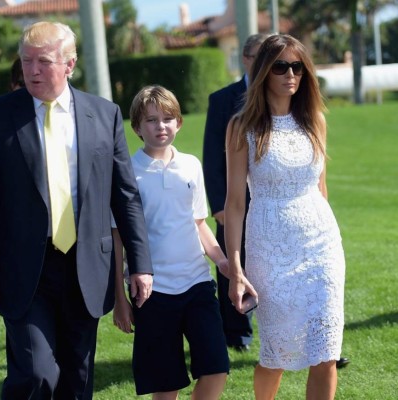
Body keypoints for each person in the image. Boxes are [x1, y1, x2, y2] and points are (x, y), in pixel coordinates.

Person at [0, 21, 153, 400]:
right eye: (27, 61)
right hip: (22, 268)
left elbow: (125, 194)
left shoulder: (105, 114)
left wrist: (141, 264)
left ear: (70, 64)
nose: (33, 70)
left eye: (44, 61)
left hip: (86, 266)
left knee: (77, 380)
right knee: (35, 375)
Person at [224, 34, 346, 399]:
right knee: (275, 353)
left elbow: (322, 189)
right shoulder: (242, 127)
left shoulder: (315, 121)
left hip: (321, 246)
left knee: (325, 352)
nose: (290, 74)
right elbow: (233, 203)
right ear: (263, 71)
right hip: (270, 249)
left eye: (297, 67)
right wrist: (235, 267)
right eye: (281, 66)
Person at [113, 85, 230, 399]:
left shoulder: (191, 165)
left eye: (167, 118)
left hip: (197, 284)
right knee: (165, 387)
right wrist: (119, 299)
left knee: (216, 370)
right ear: (137, 127)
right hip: (151, 292)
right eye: (151, 120)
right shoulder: (127, 173)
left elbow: (198, 223)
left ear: (179, 122)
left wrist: (221, 260)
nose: (160, 126)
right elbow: (117, 237)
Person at [203, 33, 269, 352]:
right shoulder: (223, 100)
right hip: (233, 200)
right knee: (233, 264)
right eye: (261, 55)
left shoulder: (283, 97)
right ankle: (236, 333)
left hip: (272, 200)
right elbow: (213, 156)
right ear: (246, 59)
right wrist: (218, 205)